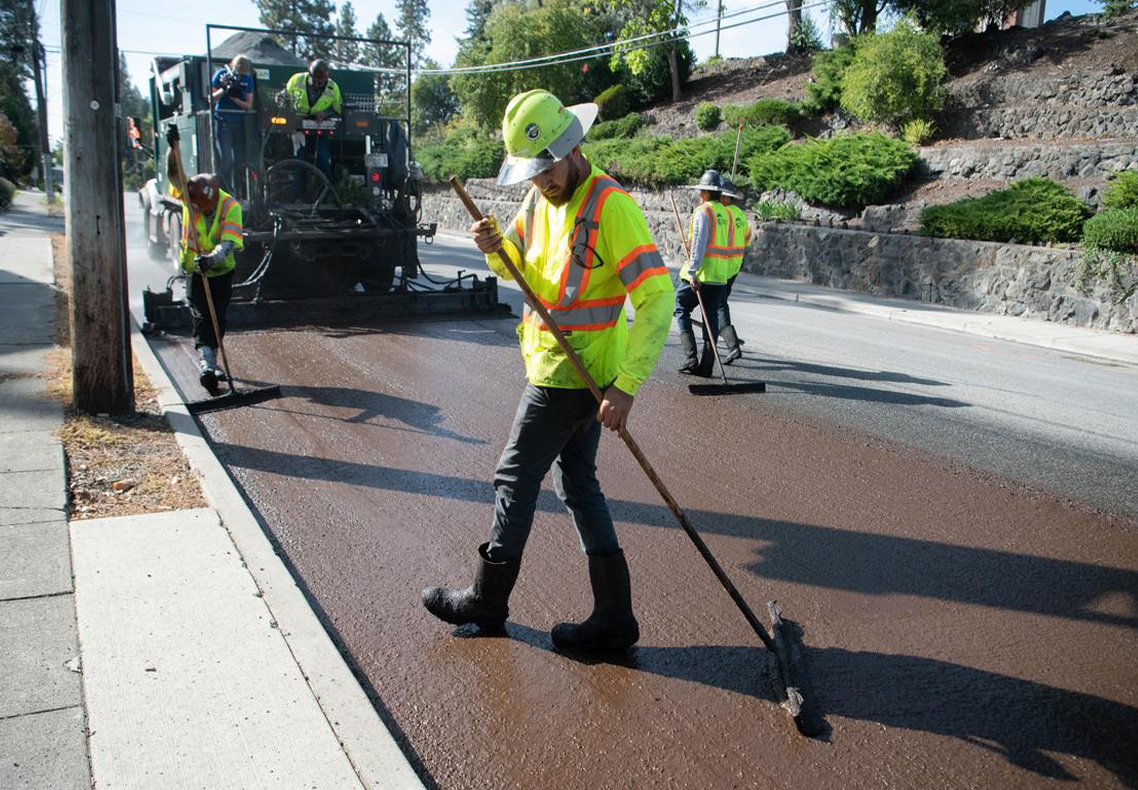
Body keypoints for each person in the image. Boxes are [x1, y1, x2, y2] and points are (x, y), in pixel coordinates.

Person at [421, 89, 675, 653]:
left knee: (515, 478)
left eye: (546, 169)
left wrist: (628, 386)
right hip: (562, 369)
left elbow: (658, 298)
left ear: (573, 145)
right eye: (531, 174)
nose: (540, 182)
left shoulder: (613, 208)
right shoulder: (539, 202)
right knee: (578, 483)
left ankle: (488, 602)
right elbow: (515, 265)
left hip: (570, 379)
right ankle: (614, 617)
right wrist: (491, 245)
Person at [166, 125, 244, 395]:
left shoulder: (229, 206)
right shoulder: (190, 198)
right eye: (197, 206)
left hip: (220, 271)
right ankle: (207, 365)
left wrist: (211, 260)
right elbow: (174, 175)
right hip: (194, 271)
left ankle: (210, 359)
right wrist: (171, 146)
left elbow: (229, 244)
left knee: (217, 319)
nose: (199, 211)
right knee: (201, 315)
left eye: (204, 208)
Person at [674, 169, 732, 377]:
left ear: (707, 193)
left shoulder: (703, 211)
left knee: (680, 306)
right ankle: (706, 367)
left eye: (701, 191)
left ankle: (691, 359)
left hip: (702, 275)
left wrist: (692, 272)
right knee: (712, 321)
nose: (699, 195)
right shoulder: (726, 213)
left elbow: (699, 243)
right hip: (719, 277)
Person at [284, 59, 342, 185]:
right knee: (300, 159)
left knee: (323, 157)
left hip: (320, 129)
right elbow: (285, 100)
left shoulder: (333, 87)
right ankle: (299, 195)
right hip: (298, 128)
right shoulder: (296, 80)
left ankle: (326, 192)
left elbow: (339, 110)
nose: (318, 84)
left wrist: (325, 114)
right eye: (316, 80)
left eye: (321, 81)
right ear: (310, 75)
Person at [717, 177, 752, 365]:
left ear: (724, 197)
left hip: (722, 265)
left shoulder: (723, 214)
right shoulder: (739, 213)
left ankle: (731, 345)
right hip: (734, 266)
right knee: (721, 303)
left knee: (718, 305)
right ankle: (724, 336)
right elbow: (747, 238)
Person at [210, 55, 254, 198]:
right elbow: (211, 99)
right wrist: (224, 88)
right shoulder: (220, 75)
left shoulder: (248, 80)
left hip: (239, 124)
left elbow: (248, 105)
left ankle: (240, 191)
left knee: (241, 159)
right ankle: (226, 191)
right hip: (222, 122)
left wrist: (235, 97)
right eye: (239, 73)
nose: (241, 76)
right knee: (227, 159)